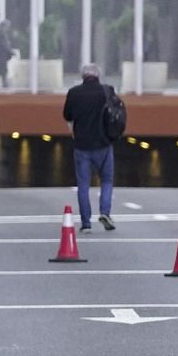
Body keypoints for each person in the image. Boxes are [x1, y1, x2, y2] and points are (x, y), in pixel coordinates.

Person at [62, 64, 118, 232]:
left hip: (82, 146)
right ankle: (105, 212)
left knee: (83, 185)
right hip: (104, 144)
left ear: (83, 76)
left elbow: (67, 115)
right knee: (106, 180)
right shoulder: (107, 91)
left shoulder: (74, 93)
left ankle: (86, 223)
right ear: (98, 75)